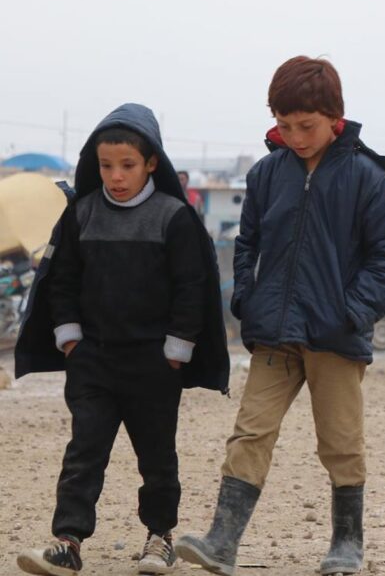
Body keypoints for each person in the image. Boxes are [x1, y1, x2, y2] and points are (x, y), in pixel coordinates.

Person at [176, 57, 385, 576]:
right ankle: (222, 540)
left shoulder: (368, 178)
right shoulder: (265, 174)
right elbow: (247, 242)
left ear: (335, 117)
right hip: (274, 333)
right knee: (249, 432)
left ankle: (346, 544)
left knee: (341, 441)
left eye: (306, 126)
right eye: (285, 126)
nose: (296, 136)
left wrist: (352, 312)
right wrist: (246, 299)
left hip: (336, 336)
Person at [13, 104, 230, 576]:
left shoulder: (174, 217)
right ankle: (67, 542)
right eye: (106, 165)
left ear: (152, 162)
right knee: (83, 452)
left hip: (154, 365)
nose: (115, 176)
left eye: (127, 165)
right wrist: (70, 340)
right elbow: (62, 281)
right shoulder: (81, 215)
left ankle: (159, 538)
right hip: (92, 362)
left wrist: (176, 351)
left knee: (157, 457)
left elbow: (192, 289)